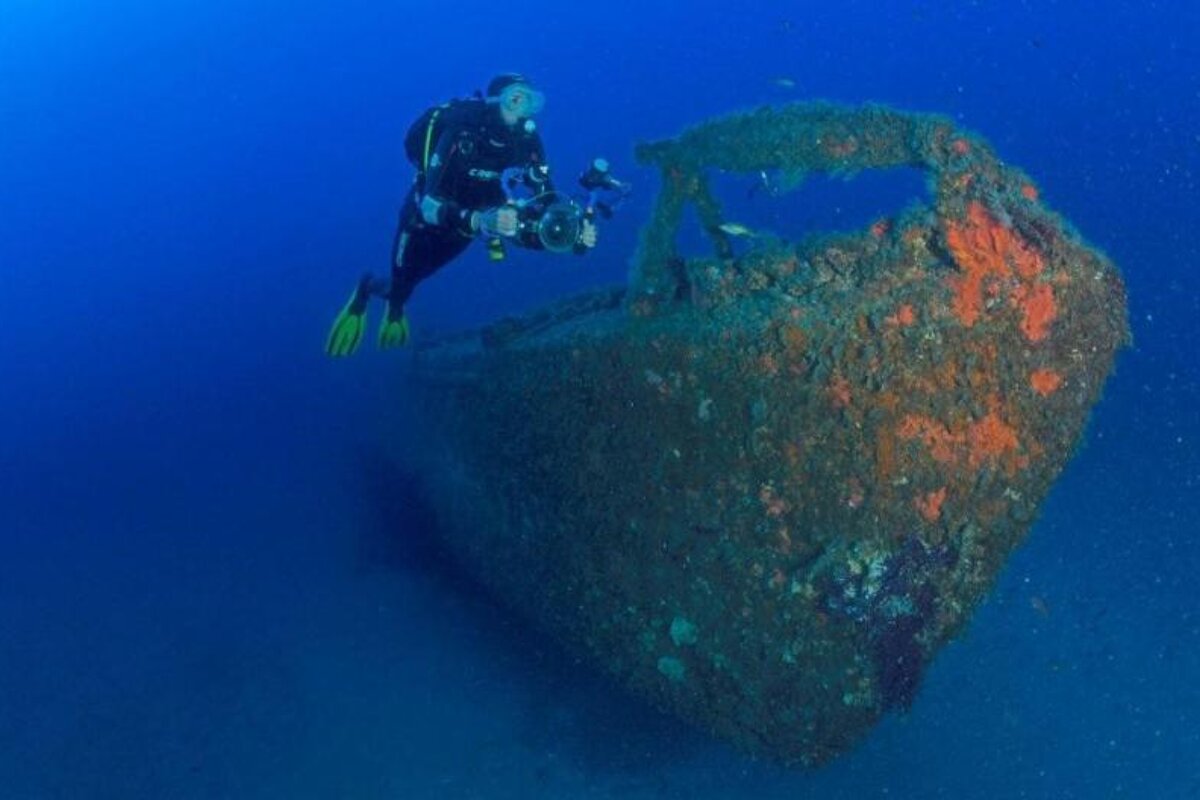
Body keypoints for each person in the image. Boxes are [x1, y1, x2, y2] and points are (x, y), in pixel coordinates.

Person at [326, 73, 598, 356]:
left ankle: (396, 304)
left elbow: (547, 205)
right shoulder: (461, 130)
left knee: (412, 283)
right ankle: (366, 289)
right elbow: (429, 206)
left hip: (463, 233)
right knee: (400, 287)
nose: (522, 111)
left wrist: (575, 235)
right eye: (515, 99)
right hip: (420, 223)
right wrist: (481, 220)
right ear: (495, 100)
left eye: (530, 102)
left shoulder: (527, 143)